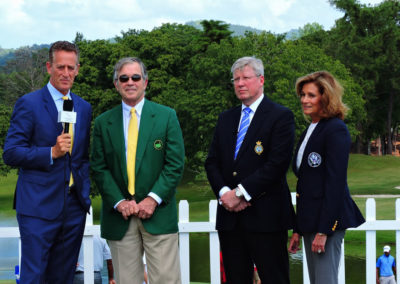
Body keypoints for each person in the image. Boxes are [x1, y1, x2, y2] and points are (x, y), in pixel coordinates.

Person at [3, 41, 92, 283]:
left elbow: (82, 157)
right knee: (34, 277)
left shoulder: (83, 107)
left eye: (71, 68)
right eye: (60, 67)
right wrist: (50, 152)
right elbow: (10, 153)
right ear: (48, 67)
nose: (66, 73)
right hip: (38, 207)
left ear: (77, 69)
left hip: (73, 208)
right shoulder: (29, 104)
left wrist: (84, 192)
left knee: (63, 277)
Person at [91, 57, 185, 284]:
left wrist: (152, 199)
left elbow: (175, 163)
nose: (130, 82)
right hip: (120, 217)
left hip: (158, 213)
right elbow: (99, 167)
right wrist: (119, 202)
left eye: (136, 77)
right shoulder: (103, 122)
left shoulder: (166, 116)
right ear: (116, 84)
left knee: (166, 280)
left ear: (145, 82)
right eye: (124, 78)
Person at [205, 56, 295, 284]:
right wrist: (225, 193)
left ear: (261, 79)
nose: (240, 83)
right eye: (236, 79)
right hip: (230, 220)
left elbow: (276, 165)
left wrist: (239, 193)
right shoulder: (226, 118)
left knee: (275, 278)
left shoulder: (280, 116)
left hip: (266, 217)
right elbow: (212, 162)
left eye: (245, 78)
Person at [288, 71, 365, 284]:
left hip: (326, 223)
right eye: (303, 95)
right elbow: (306, 184)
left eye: (311, 95)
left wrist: (324, 230)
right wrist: (298, 229)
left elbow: (335, 183)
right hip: (309, 222)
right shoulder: (310, 130)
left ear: (326, 97)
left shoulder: (336, 129)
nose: (304, 100)